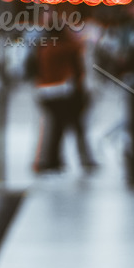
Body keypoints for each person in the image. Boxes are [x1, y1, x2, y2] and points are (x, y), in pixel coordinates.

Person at [33, 18, 98, 174]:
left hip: (46, 91)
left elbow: (35, 68)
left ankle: (50, 160)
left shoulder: (43, 47)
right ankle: (84, 160)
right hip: (66, 91)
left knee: (54, 127)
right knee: (76, 127)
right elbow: (78, 71)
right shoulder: (71, 47)